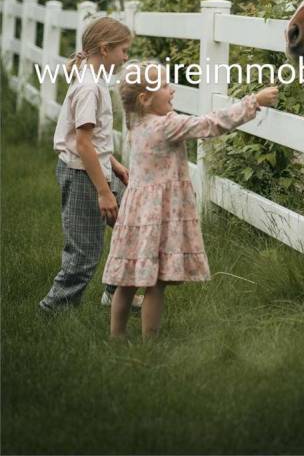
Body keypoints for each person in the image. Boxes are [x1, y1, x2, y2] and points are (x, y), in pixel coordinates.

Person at [103, 60, 279, 338]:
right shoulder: (165, 126)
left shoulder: (134, 123)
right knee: (155, 283)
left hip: (136, 214)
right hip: (160, 215)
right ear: (145, 99)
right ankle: (150, 342)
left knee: (127, 281)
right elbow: (211, 124)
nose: (171, 90)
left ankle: (117, 336)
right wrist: (253, 101)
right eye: (163, 85)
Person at [39, 16, 142, 313]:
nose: (126, 57)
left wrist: (116, 166)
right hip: (83, 175)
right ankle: (54, 309)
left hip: (97, 169)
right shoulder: (88, 87)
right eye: (123, 50)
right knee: (84, 253)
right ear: (105, 49)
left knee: (132, 223)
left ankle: (115, 291)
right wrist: (104, 192)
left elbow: (91, 138)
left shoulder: (94, 80)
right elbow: (82, 144)